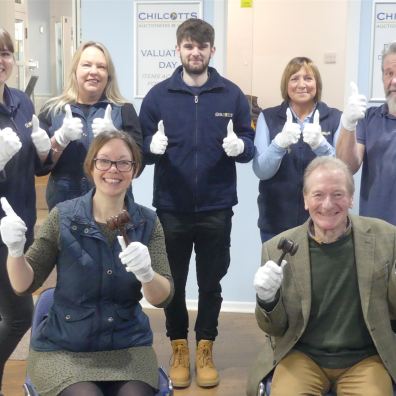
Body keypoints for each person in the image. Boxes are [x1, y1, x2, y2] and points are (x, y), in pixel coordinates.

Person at [0, 130, 174, 396]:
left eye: (123, 162)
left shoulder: (148, 222)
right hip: (65, 349)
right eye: (104, 161)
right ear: (91, 166)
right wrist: (14, 250)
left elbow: (163, 297)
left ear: (134, 169)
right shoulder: (64, 217)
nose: (113, 170)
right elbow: (23, 284)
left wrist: (147, 274)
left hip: (128, 347)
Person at [139, 18, 255, 388]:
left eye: (202, 47)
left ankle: (205, 346)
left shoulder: (232, 94)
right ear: (178, 49)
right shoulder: (158, 96)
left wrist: (241, 149)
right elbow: (139, 151)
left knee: (211, 282)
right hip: (171, 207)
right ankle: (178, 347)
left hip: (217, 207)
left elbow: (249, 145)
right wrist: (149, 150)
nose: (195, 52)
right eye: (188, 46)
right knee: (173, 282)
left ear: (212, 51)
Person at [247, 156, 396, 396]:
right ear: (305, 200)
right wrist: (267, 299)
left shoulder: (387, 238)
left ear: (350, 198)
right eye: (318, 195)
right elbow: (274, 328)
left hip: (366, 359)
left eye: (337, 194)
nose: (327, 205)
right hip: (301, 355)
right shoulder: (276, 249)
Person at [0, 28, 51, 395]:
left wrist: (50, 149)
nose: (0, 61)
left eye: (5, 53)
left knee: (17, 314)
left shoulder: (22, 102)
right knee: (20, 315)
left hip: (18, 230)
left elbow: (36, 168)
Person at [39, 41, 142, 210]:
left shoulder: (124, 109)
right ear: (75, 70)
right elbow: (40, 167)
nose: (93, 71)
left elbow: (138, 167)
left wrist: (117, 139)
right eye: (86, 65)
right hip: (64, 209)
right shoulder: (52, 110)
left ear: (108, 74)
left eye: (101, 67)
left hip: (114, 209)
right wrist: (59, 139)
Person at [252, 57, 341, 242]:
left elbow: (342, 173)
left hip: (324, 222)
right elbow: (261, 171)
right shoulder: (268, 117)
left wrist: (321, 146)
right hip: (275, 222)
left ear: (317, 84)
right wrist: (279, 144)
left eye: (308, 78)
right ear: (286, 84)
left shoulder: (335, 118)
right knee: (277, 272)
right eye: (294, 78)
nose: (302, 85)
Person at [336, 43, 396, 225]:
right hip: (376, 231)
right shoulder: (369, 118)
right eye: (389, 73)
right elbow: (347, 166)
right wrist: (349, 123)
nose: (393, 81)